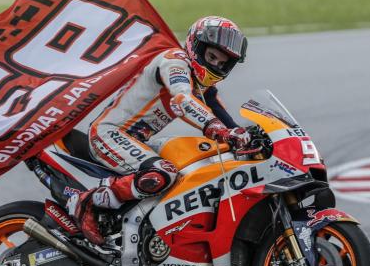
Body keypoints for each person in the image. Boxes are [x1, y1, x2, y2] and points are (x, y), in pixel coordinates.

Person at [66, 16, 250, 245]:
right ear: (196, 46)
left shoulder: (203, 85)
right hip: (108, 133)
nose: (215, 66)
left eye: (222, 64)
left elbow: (224, 117)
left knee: (190, 170)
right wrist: (216, 129)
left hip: (134, 141)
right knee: (163, 172)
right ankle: (88, 201)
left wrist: (247, 136)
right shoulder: (174, 61)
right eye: (212, 57)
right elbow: (183, 100)